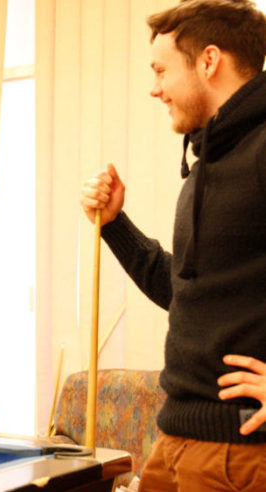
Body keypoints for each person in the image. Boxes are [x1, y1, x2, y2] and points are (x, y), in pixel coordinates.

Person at [80, 1, 266, 489]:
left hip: (241, 452)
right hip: (176, 440)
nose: (154, 87)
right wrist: (114, 225)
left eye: (162, 70)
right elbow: (185, 292)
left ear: (209, 61)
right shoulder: (210, 161)